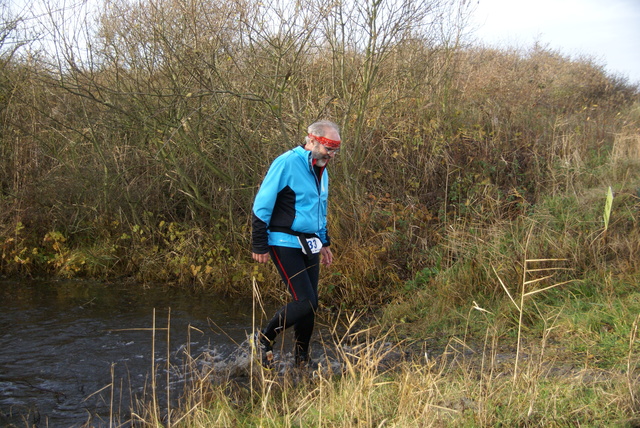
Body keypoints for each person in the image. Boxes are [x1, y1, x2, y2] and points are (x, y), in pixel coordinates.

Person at [251, 120, 340, 369]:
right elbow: (262, 204)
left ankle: (301, 360)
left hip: (309, 243)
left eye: (335, 150)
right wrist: (259, 243)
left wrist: (324, 242)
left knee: (311, 304)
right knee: (306, 301)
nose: (332, 155)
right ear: (311, 140)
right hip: (283, 240)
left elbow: (319, 209)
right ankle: (264, 338)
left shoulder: (321, 169)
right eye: (328, 149)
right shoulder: (287, 162)